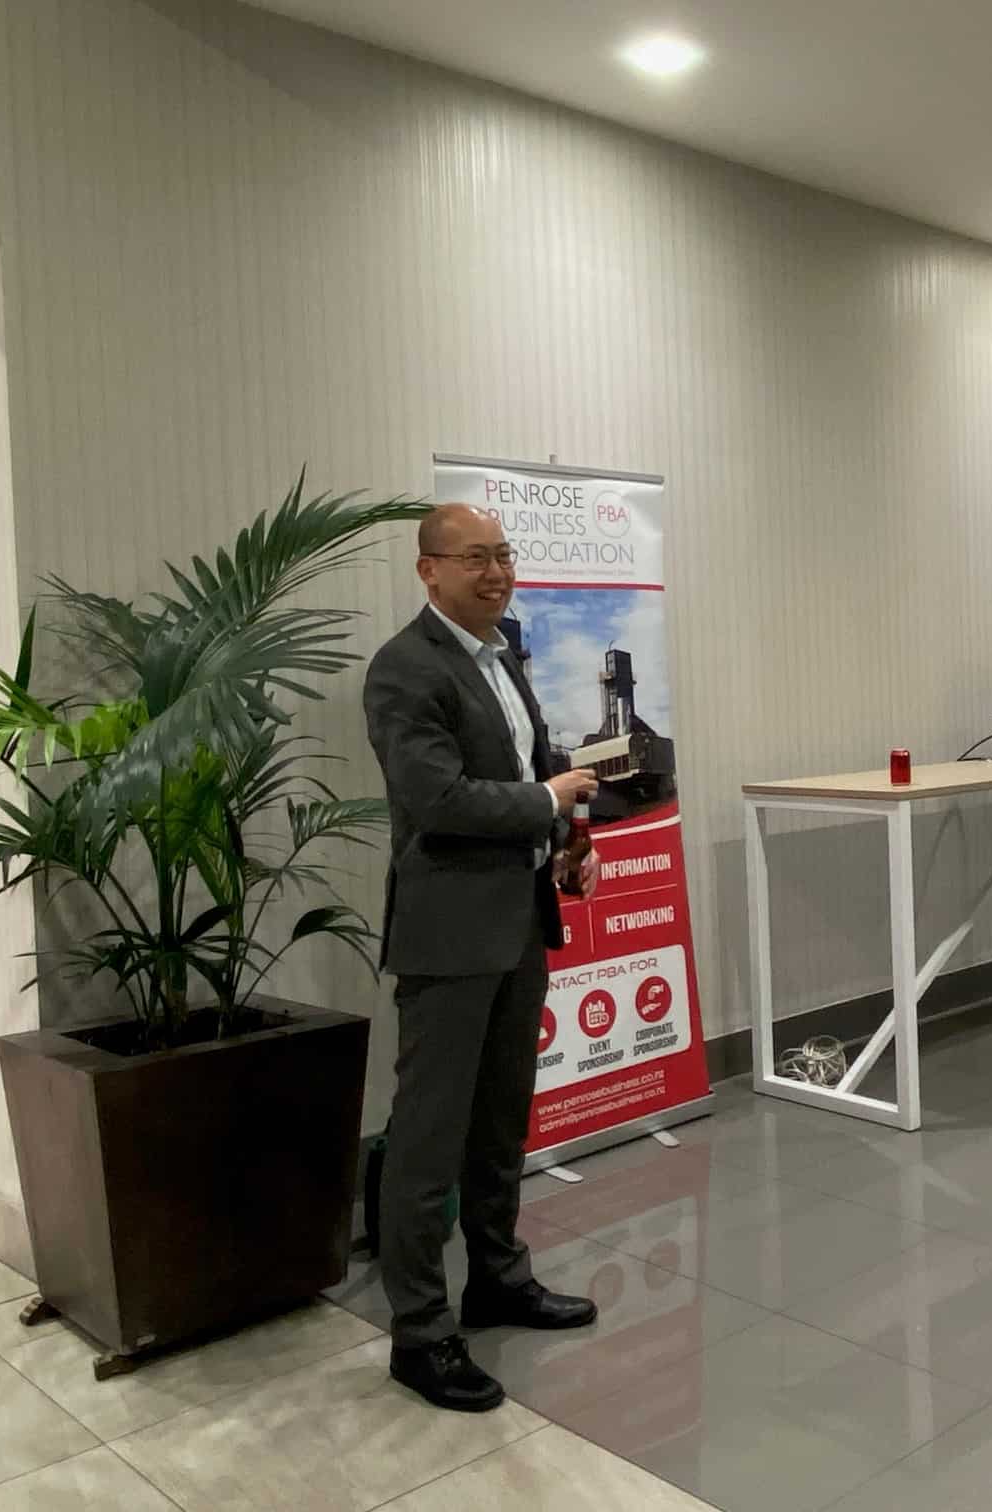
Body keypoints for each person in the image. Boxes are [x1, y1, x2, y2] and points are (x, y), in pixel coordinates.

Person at [363, 503, 603, 1411]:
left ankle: (497, 1279)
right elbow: (438, 799)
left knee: (501, 1123)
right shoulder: (404, 668)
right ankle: (421, 1334)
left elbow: (528, 772)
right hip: (449, 937)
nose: (496, 572)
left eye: (504, 555)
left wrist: (567, 844)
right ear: (428, 569)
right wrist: (547, 803)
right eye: (475, 558)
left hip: (518, 923)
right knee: (428, 1142)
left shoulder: (502, 659)